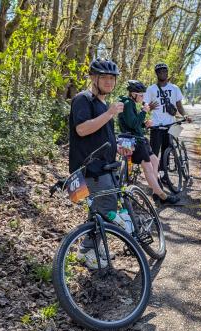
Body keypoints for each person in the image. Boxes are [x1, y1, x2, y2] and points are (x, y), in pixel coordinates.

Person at [68, 58, 124, 269]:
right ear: (93, 78)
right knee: (106, 207)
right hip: (89, 168)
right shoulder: (83, 99)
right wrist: (110, 113)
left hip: (104, 166)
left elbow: (102, 134)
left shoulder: (102, 103)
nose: (109, 82)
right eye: (104, 77)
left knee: (99, 209)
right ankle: (86, 251)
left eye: (112, 78)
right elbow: (82, 129)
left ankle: (93, 246)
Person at [117, 80, 179, 205]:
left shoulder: (131, 104)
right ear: (133, 94)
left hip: (138, 139)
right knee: (148, 167)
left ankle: (156, 192)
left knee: (155, 160)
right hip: (133, 141)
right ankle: (162, 196)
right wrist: (144, 111)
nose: (143, 97)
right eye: (141, 95)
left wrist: (144, 124)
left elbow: (134, 124)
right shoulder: (128, 103)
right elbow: (132, 124)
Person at [144, 62, 190, 160]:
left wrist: (185, 116)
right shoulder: (151, 89)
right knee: (154, 153)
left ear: (167, 73)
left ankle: (164, 173)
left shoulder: (175, 88)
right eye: (160, 72)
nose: (163, 73)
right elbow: (144, 104)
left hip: (171, 125)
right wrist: (149, 107)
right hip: (156, 126)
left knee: (167, 152)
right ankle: (154, 173)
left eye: (165, 71)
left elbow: (179, 106)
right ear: (156, 74)